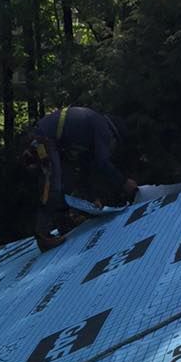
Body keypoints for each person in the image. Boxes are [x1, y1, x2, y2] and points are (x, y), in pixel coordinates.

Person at [21, 106, 138, 252]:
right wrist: (124, 183)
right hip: (43, 141)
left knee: (67, 178)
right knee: (53, 182)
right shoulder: (103, 128)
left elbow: (85, 169)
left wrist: (92, 198)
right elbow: (103, 163)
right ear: (114, 135)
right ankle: (43, 235)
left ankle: (63, 221)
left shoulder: (91, 130)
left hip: (49, 141)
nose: (111, 148)